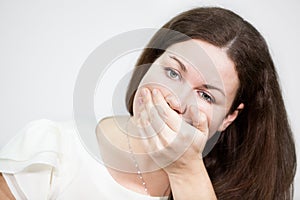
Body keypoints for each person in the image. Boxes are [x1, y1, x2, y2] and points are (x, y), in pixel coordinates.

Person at [0, 7, 296, 200]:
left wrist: (186, 170)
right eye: (172, 72)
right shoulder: (51, 147)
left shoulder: (235, 188)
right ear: (149, 65)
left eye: (206, 95)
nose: (176, 101)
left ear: (229, 117)